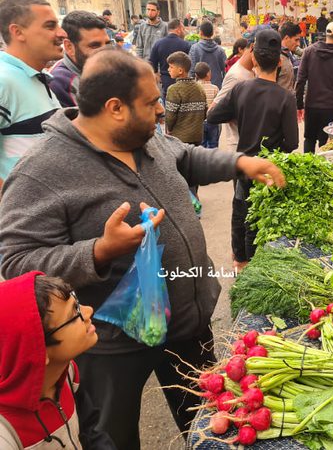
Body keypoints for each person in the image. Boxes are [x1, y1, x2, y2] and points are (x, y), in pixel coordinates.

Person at [0, 48, 285, 450]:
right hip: (113, 342)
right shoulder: (40, 172)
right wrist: (98, 250)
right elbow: (16, 262)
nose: (161, 112)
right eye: (152, 103)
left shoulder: (146, 138)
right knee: (112, 437)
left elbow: (186, 156)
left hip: (187, 324)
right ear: (116, 108)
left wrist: (240, 164)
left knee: (211, 422)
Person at [207, 29, 298, 268]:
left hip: (245, 166)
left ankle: (241, 261)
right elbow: (292, 143)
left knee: (241, 213)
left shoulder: (241, 89)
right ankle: (262, 265)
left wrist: (239, 113)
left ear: (254, 59)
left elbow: (213, 116)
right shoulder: (286, 98)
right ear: (279, 62)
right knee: (266, 220)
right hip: (270, 169)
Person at [0, 272, 116, 449]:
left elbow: (90, 430)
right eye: (73, 314)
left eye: (76, 302)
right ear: (37, 350)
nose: (88, 310)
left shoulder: (66, 372)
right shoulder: (6, 436)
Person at [0, 0, 66, 189]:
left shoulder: (37, 76)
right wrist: (14, 208)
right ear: (18, 32)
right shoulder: (4, 81)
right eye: (50, 26)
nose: (61, 33)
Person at [296, 21, 333, 153]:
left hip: (311, 105)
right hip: (331, 106)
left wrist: (299, 105)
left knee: (309, 139)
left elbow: (300, 81)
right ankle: (323, 170)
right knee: (325, 141)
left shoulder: (309, 51)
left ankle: (307, 169)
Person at [49, 10, 112, 108]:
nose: (105, 51)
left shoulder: (99, 69)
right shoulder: (61, 82)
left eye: (107, 44)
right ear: (69, 47)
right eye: (95, 46)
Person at [189, 21, 226, 148]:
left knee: (201, 135)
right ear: (212, 33)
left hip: (198, 91)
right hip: (216, 94)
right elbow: (224, 70)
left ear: (200, 33)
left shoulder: (194, 48)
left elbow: (192, 70)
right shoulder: (220, 50)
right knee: (214, 129)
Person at [164, 52, 207, 146]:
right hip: (197, 136)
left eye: (171, 67)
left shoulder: (174, 89)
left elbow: (170, 116)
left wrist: (169, 129)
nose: (168, 69)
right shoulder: (199, 88)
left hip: (179, 139)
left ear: (180, 70)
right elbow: (204, 113)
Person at [148, 18, 191, 99]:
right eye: (183, 29)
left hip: (165, 81)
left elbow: (152, 62)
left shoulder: (158, 44)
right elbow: (190, 64)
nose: (184, 31)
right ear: (178, 29)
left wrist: (157, 74)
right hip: (182, 82)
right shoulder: (185, 45)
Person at [278, 21, 302, 93]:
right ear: (286, 38)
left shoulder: (288, 53)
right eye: (296, 40)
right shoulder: (276, 58)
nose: (298, 44)